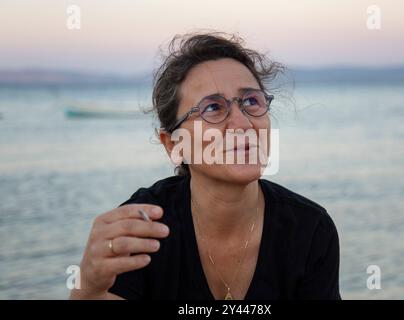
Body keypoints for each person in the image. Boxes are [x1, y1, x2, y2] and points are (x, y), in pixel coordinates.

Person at [70, 31, 341, 300]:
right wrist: (88, 289)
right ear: (173, 145)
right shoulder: (144, 227)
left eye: (251, 101)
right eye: (213, 108)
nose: (243, 124)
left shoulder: (309, 230)